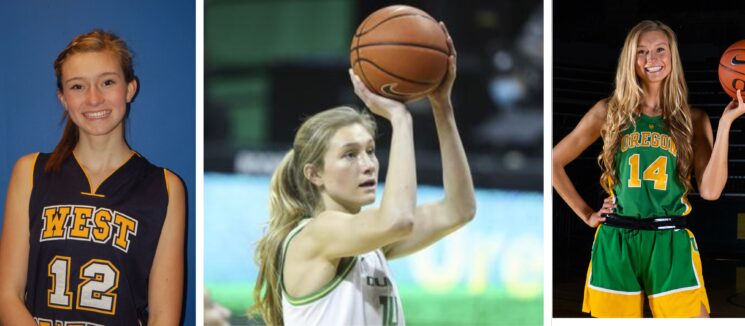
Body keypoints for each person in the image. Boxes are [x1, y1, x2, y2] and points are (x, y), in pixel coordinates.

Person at [250, 23, 475, 326]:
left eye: (370, 150)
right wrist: (400, 118)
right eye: (350, 154)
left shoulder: (370, 241)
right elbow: (399, 220)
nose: (368, 164)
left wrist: (442, 106)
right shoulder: (316, 233)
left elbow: (459, 209)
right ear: (314, 174)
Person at [553, 20, 745, 318]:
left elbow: (710, 191)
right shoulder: (609, 111)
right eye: (641, 51)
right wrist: (587, 214)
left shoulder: (693, 119)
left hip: (670, 239)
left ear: (672, 56)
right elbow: (552, 161)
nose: (651, 59)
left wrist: (727, 123)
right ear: (631, 58)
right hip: (617, 240)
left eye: (659, 50)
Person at [0, 30, 185, 325]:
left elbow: (163, 316)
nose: (94, 98)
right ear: (63, 97)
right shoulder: (30, 173)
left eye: (107, 82)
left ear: (129, 89)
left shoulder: (165, 188)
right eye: (77, 86)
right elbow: (6, 295)